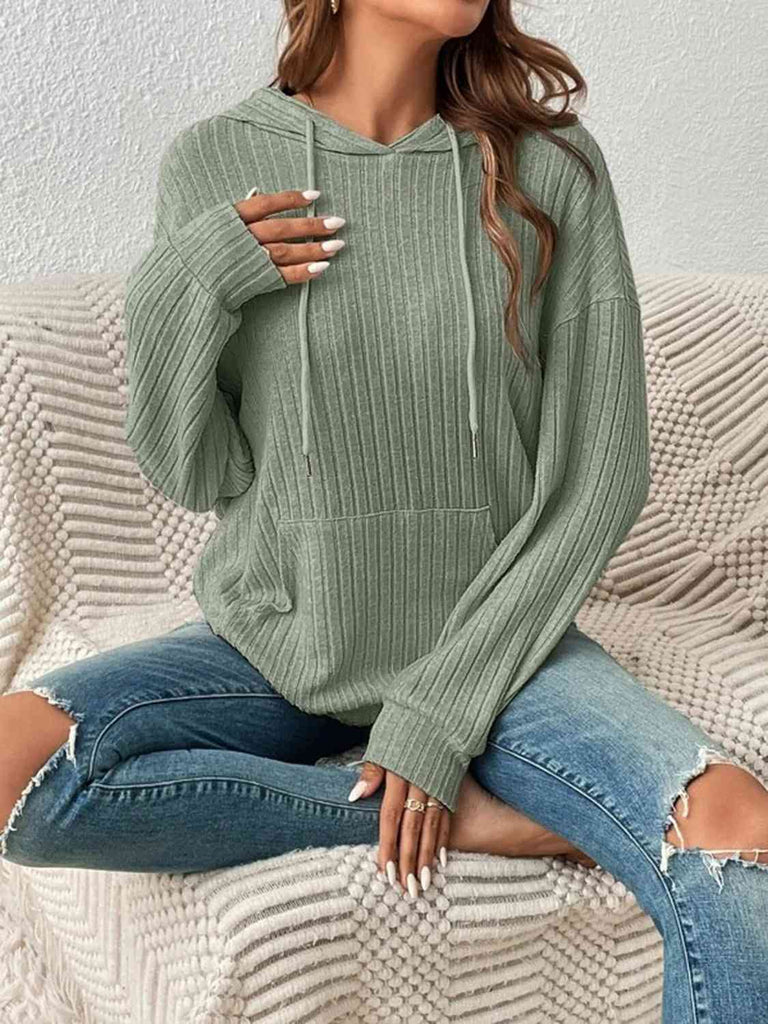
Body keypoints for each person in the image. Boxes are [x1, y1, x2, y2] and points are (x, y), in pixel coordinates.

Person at [3, 2, 768, 1018]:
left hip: (500, 654)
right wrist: (183, 291)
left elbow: (600, 476)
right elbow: (197, 470)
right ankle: (454, 820)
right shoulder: (217, 160)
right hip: (282, 639)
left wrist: (437, 711)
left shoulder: (550, 167)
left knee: (738, 832)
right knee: (10, 766)